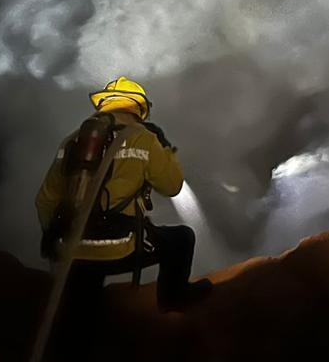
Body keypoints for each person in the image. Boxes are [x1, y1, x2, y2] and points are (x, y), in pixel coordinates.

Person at [35, 76, 212, 320]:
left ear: (104, 104)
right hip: (120, 249)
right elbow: (173, 187)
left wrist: (57, 240)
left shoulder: (72, 141)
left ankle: (73, 345)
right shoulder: (144, 139)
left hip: (71, 249)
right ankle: (174, 298)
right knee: (182, 238)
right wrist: (166, 150)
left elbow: (44, 200)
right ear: (139, 108)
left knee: (79, 311)